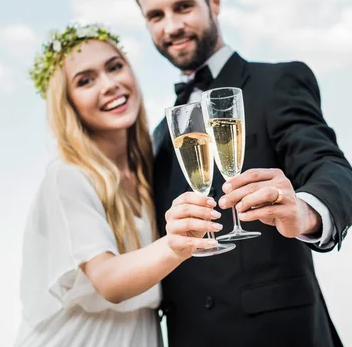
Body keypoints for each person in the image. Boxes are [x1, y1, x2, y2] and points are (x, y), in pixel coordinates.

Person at [133, 0, 352, 346]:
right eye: (156, 16)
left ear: (214, 2)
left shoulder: (277, 82)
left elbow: (332, 169)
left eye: (183, 6)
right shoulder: (159, 134)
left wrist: (305, 210)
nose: (171, 26)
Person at [15, 23, 222, 346]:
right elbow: (108, 280)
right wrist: (174, 244)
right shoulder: (68, 176)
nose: (109, 84)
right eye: (85, 81)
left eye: (115, 67)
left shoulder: (149, 170)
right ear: (67, 104)